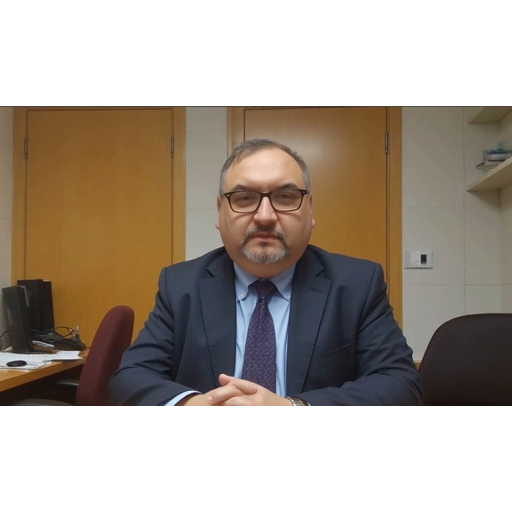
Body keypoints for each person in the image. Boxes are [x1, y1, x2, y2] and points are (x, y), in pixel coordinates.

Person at [109, 139, 421, 406]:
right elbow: (131, 377)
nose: (265, 216)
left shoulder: (357, 284)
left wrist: (293, 410)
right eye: (244, 198)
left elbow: (400, 384)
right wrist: (195, 406)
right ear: (219, 212)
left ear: (310, 210)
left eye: (285, 197)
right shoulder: (181, 285)